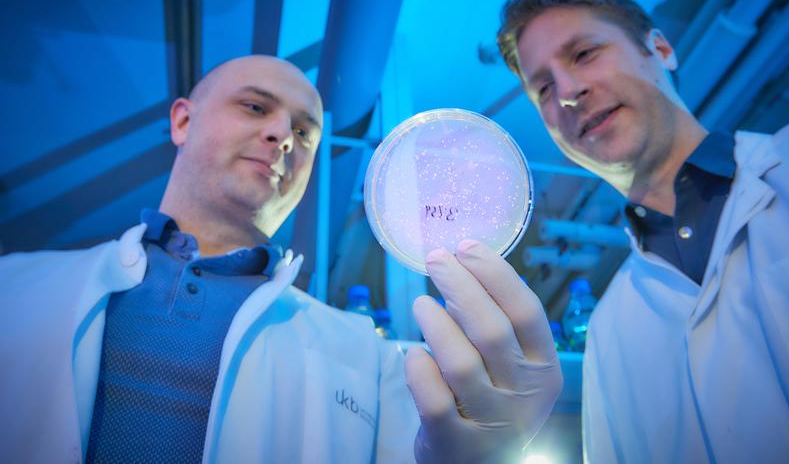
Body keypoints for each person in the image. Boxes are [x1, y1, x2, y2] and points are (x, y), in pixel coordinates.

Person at [0, 55, 562, 463]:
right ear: (182, 121)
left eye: (304, 132)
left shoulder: (368, 356)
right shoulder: (13, 287)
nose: (282, 136)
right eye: (254, 106)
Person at [496, 0, 789, 462]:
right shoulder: (610, 333)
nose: (569, 92)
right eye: (544, 89)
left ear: (659, 48)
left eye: (584, 54)